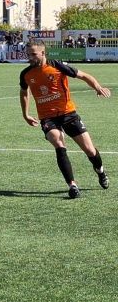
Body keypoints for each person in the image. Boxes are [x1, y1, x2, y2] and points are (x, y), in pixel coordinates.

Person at [19, 40, 110, 199]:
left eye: (33, 54)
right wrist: (25, 114)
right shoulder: (26, 74)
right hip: (48, 118)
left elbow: (84, 75)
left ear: (43, 53)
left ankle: (100, 171)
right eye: (28, 54)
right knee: (59, 143)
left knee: (90, 150)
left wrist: (97, 87)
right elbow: (24, 92)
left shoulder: (57, 66)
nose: (30, 57)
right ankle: (72, 185)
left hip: (68, 114)